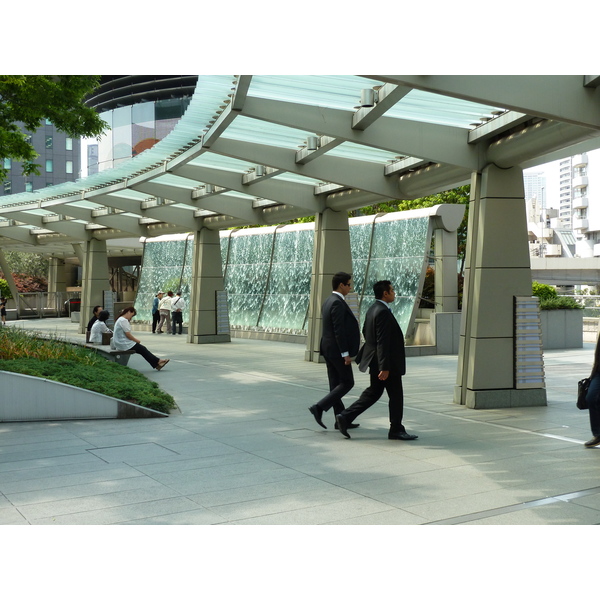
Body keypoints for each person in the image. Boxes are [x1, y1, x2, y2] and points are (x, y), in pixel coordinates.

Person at [335, 280, 418, 441]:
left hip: (376, 361)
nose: (394, 293)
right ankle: (396, 429)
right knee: (396, 395)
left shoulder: (373, 309)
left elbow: (366, 331)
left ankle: (345, 416)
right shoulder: (382, 312)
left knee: (373, 393)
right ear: (385, 293)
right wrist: (384, 366)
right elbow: (383, 341)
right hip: (387, 364)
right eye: (392, 290)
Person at [308, 272, 361, 430]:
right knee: (347, 382)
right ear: (341, 285)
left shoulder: (328, 301)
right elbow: (339, 330)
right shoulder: (337, 302)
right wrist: (345, 353)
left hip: (328, 349)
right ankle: (319, 407)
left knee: (335, 384)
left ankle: (340, 418)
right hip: (337, 351)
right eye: (349, 284)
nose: (350, 288)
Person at [113, 306, 169, 370]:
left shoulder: (120, 319)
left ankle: (157, 362)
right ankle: (158, 362)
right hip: (123, 343)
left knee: (142, 350)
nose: (131, 318)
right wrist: (136, 340)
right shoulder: (123, 320)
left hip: (119, 342)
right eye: (131, 315)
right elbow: (128, 334)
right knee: (142, 349)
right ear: (128, 312)